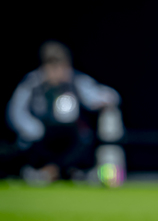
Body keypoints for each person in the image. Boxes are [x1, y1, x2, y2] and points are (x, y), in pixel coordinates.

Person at [7, 40, 125, 185]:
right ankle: (42, 171)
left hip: (69, 137)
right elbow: (15, 113)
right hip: (42, 137)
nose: (58, 71)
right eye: (53, 67)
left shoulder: (75, 80)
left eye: (62, 66)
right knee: (29, 143)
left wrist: (101, 101)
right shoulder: (31, 83)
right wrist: (34, 129)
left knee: (84, 138)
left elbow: (110, 96)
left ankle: (57, 171)